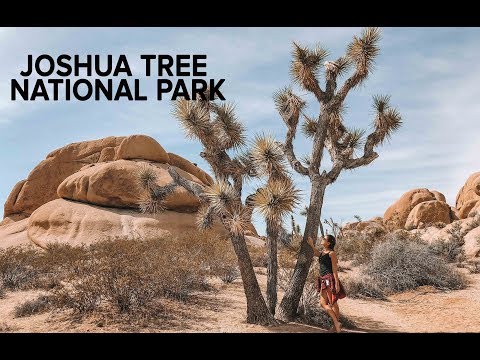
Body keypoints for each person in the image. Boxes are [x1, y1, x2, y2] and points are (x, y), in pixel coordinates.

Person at [307, 234, 345, 333]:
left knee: (333, 302)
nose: (322, 239)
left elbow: (334, 269)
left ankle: (336, 325)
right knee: (323, 303)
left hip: (329, 278)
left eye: (324, 239)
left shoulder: (332, 253)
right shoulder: (323, 252)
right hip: (323, 279)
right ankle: (337, 323)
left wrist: (336, 283)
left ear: (328, 243)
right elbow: (316, 253)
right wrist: (311, 244)